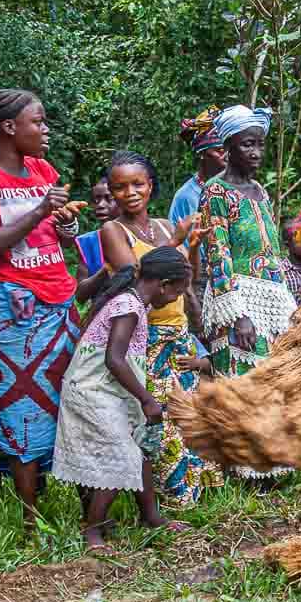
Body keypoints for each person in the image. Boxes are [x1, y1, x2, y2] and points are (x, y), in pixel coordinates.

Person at [0, 88, 84, 532]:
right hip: (14, 309)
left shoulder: (43, 169)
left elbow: (56, 233)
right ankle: (31, 520)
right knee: (19, 405)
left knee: (73, 395)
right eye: (39, 121)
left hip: (60, 299)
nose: (45, 129)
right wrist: (38, 211)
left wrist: (66, 225)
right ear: (10, 128)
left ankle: (85, 505)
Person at [100, 150, 222, 508]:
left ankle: (199, 493)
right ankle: (169, 500)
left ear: (151, 186)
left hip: (179, 335)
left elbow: (186, 278)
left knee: (191, 414)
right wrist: (175, 244)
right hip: (145, 338)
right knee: (160, 420)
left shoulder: (165, 226)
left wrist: (193, 248)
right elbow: (137, 277)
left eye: (138, 184)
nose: (130, 192)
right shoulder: (113, 230)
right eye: (120, 187)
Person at [52, 247, 194, 552]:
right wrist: (146, 400)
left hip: (106, 390)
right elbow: (114, 360)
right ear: (163, 285)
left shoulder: (134, 303)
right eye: (177, 292)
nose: (175, 299)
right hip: (92, 391)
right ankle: (93, 532)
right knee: (124, 457)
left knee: (140, 450)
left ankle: (151, 516)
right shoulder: (128, 306)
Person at [198, 104, 299, 483]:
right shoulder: (215, 192)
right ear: (228, 149)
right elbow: (217, 253)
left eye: (259, 145)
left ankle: (273, 465)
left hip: (272, 297)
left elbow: (273, 250)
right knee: (243, 382)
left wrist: (287, 299)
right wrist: (236, 312)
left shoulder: (259, 191)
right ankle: (244, 471)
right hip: (238, 298)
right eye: (247, 145)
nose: (255, 153)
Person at [171, 106, 227, 224]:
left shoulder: (237, 189)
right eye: (220, 150)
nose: (228, 155)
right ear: (202, 153)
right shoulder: (186, 197)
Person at [74, 176, 117, 305]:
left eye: (109, 199)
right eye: (96, 200)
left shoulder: (140, 235)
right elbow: (80, 296)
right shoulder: (88, 243)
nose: (100, 205)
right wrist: (105, 271)